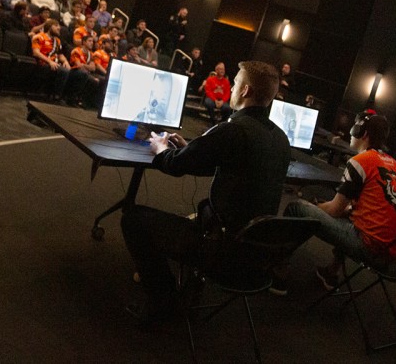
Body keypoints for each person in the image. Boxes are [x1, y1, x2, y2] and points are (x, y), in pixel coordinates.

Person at [121, 61, 289, 323]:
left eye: (234, 83)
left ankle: (163, 302)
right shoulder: (280, 138)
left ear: (244, 91)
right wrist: (194, 148)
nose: (231, 87)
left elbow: (176, 165)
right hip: (257, 256)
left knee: (133, 218)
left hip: (221, 251)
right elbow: (236, 167)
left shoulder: (233, 129)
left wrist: (161, 149)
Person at [283, 111, 396, 291]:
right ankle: (332, 272)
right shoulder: (392, 163)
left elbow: (334, 210)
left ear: (362, 133)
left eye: (354, 127)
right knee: (349, 215)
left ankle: (278, 270)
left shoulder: (361, 161)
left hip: (369, 247)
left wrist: (314, 206)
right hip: (391, 249)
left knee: (297, 207)